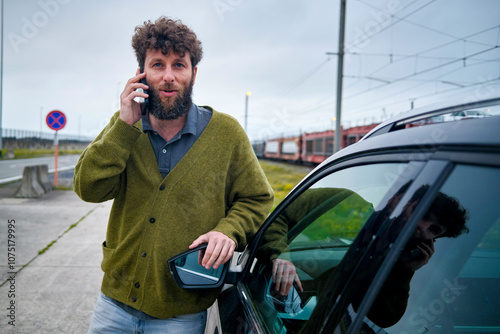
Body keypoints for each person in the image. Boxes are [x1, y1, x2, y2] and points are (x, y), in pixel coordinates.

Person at [74, 17, 274, 333]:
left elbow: (257, 198)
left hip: (180, 314)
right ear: (141, 73)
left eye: (179, 65)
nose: (168, 76)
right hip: (114, 305)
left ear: (194, 73)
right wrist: (124, 127)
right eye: (157, 65)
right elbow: (88, 188)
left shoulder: (226, 133)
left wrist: (229, 230)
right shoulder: (125, 126)